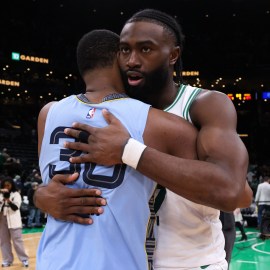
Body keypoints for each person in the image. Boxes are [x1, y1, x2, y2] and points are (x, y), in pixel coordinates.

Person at [34, 9, 253, 269]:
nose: (132, 60)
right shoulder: (116, 110)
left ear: (173, 55)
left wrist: (129, 150)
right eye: (125, 50)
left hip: (190, 264)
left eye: (145, 50)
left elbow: (234, 193)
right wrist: (42, 197)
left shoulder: (203, 105)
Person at [36, 29, 198, 269]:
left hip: (52, 261)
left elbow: (47, 182)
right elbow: (220, 187)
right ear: (120, 60)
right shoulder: (158, 123)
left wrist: (38, 194)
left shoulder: (48, 113)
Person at [0, 177, 29, 268]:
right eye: (5, 185)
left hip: (13, 220)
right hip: (2, 220)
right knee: (4, 242)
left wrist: (8, 200)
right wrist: (3, 200)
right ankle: (7, 260)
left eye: (8, 185)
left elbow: (16, 208)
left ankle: (24, 259)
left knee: (17, 241)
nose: (7, 187)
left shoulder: (16, 194)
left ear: (12, 185)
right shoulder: (0, 195)